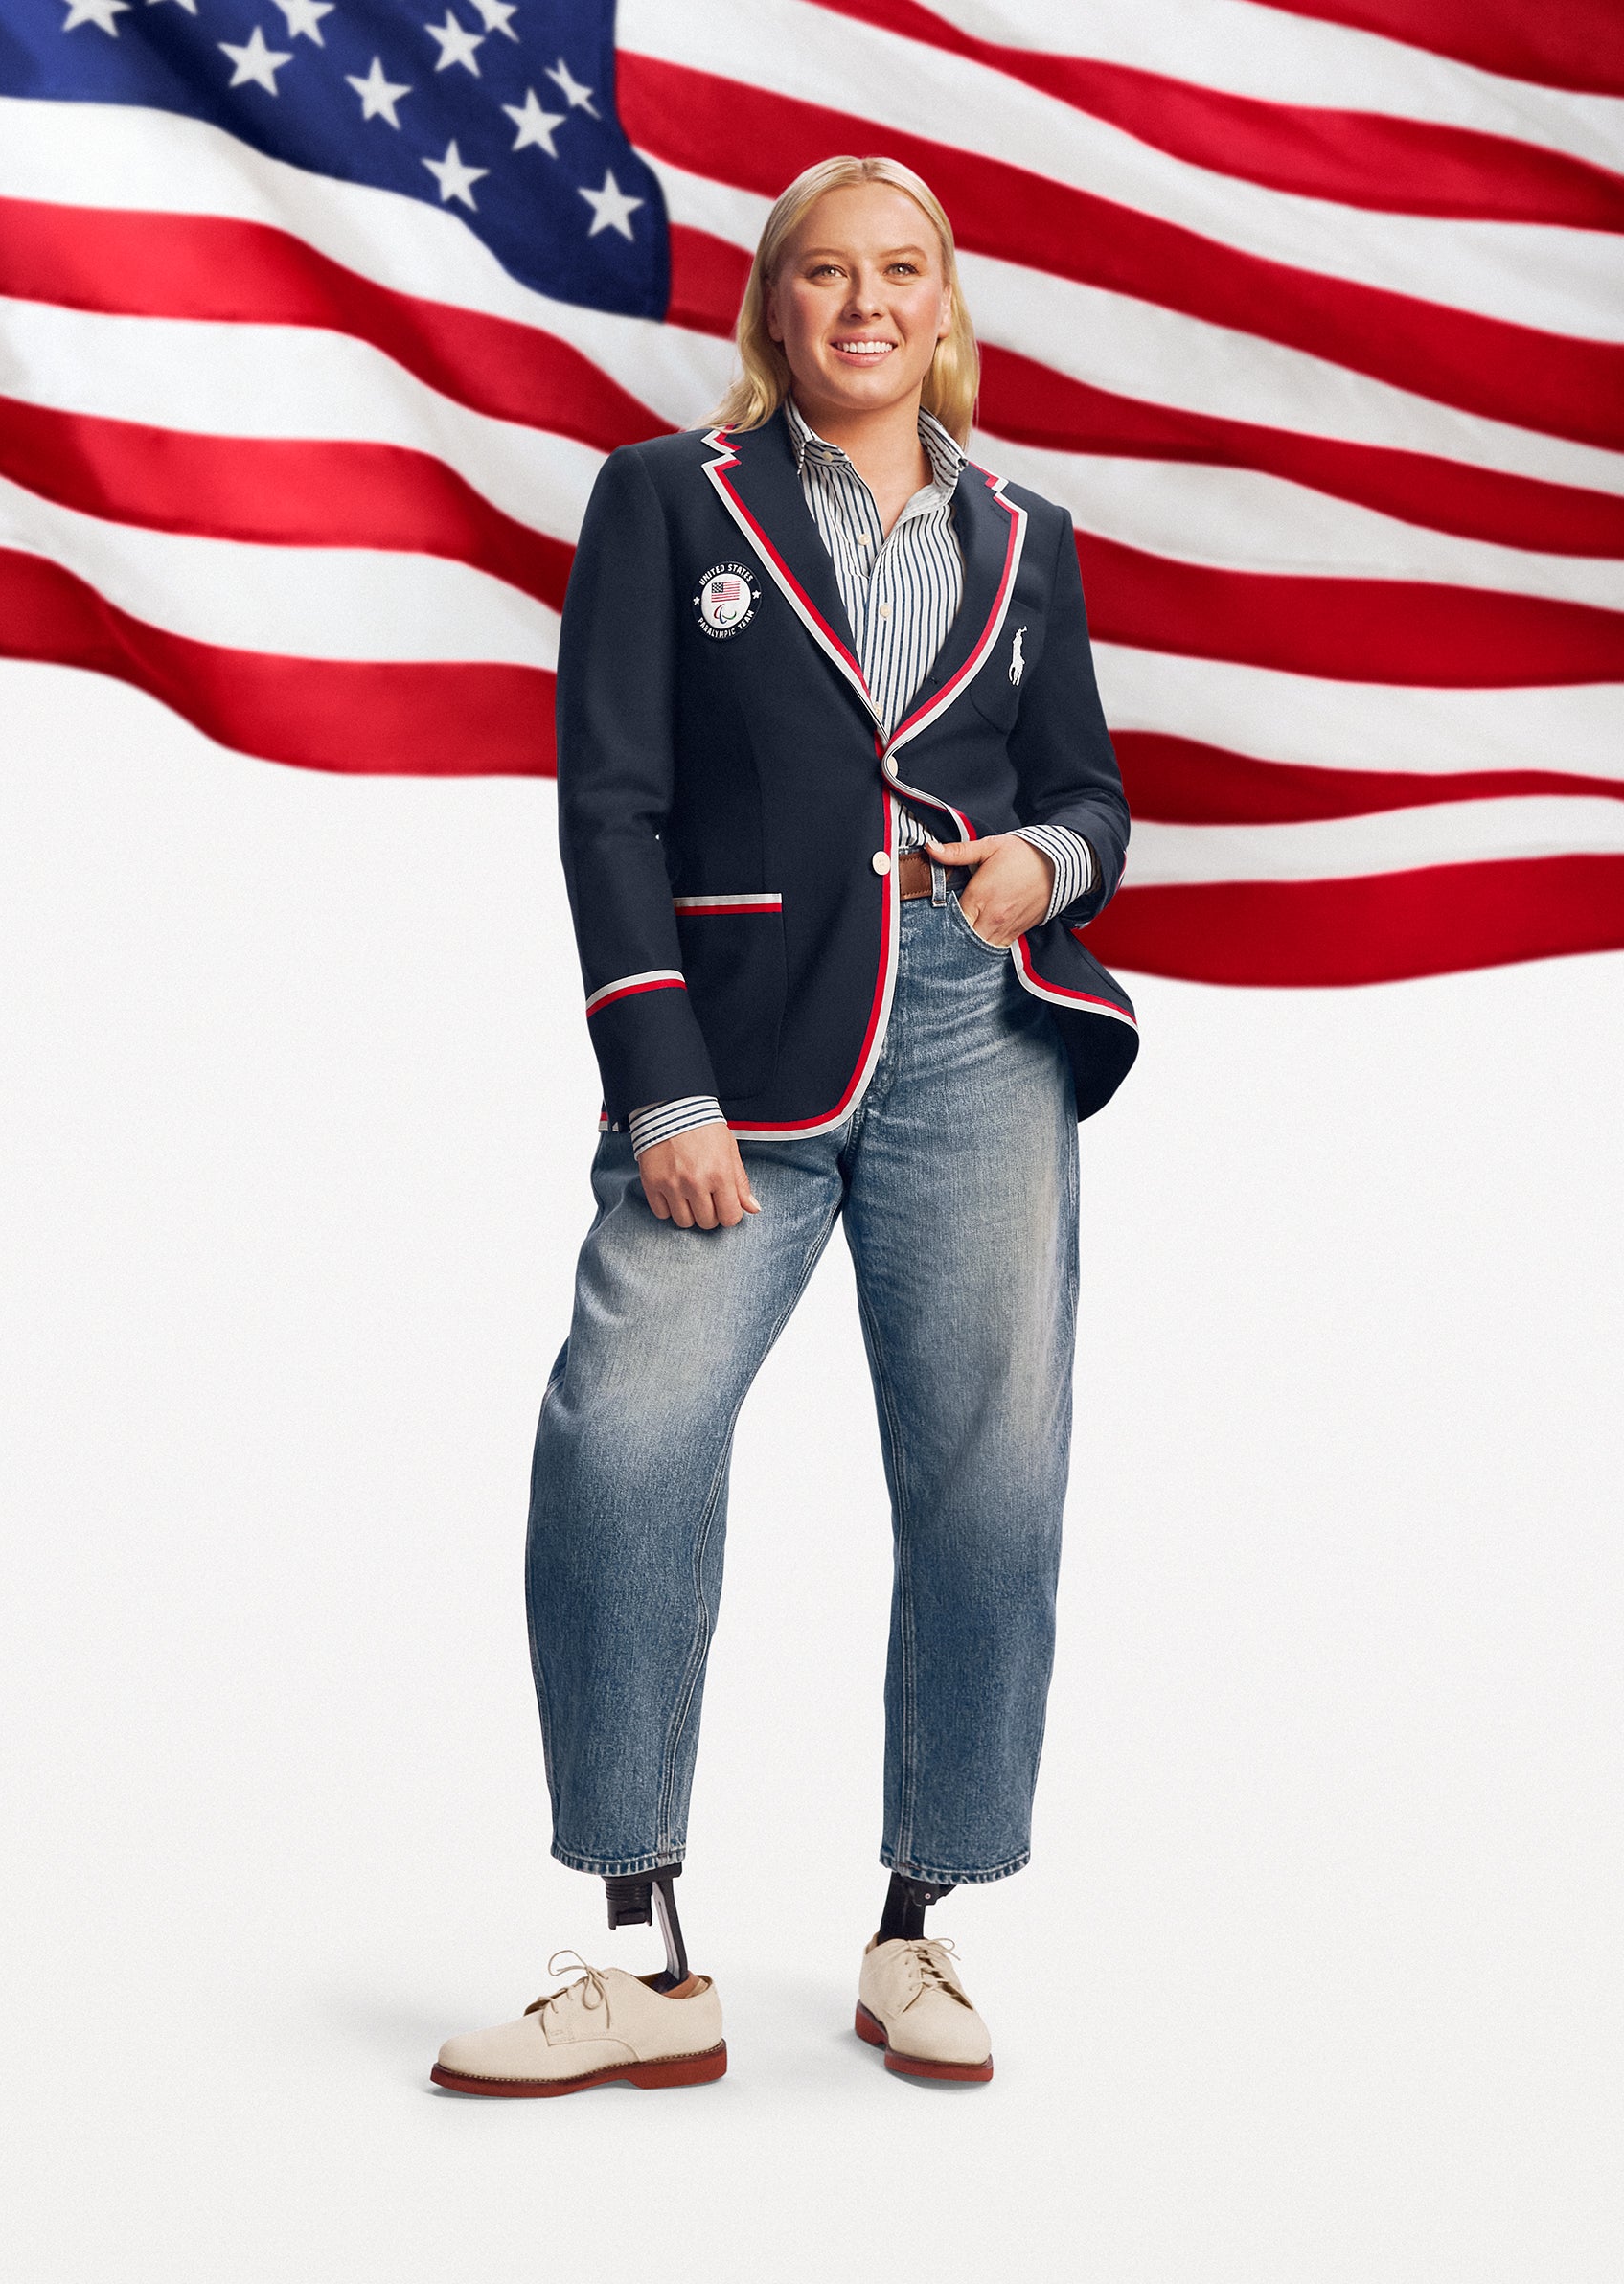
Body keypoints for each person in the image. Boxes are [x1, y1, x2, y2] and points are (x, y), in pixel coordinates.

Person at [432, 154, 1137, 2099]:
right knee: (625, 1434)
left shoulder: (1026, 535)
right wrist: (656, 1074)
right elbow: (610, 806)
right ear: (773, 304)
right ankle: (639, 1951)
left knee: (987, 1474)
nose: (861, 306)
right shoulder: (670, 502)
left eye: (897, 272)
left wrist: (1042, 858)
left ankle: (920, 1926)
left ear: (943, 303)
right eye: (823, 273)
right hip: (738, 1052)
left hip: (974, 1031)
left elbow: (1089, 788)